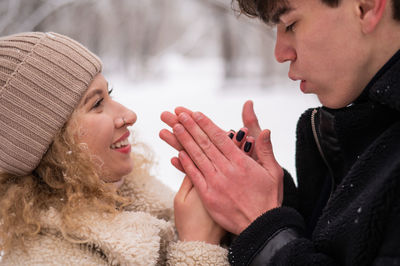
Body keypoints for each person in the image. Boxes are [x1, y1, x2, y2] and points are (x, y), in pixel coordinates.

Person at [159, 0, 400, 264]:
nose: (280, 53)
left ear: (365, 7)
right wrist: (277, 203)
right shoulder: (364, 133)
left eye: (291, 24)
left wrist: (262, 227)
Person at [0, 32, 229, 265]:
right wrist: (199, 245)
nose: (129, 115)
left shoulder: (138, 199)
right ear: (52, 144)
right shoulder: (43, 260)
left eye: (109, 94)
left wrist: (247, 218)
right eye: (97, 103)